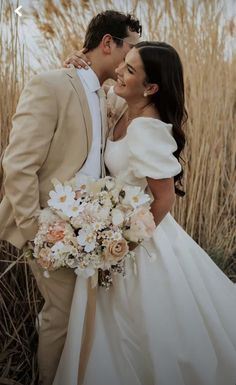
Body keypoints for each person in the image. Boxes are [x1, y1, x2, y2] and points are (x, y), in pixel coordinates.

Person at [53, 42, 236, 385]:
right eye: (124, 63)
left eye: (130, 70)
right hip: (116, 229)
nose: (119, 71)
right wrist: (75, 65)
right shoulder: (123, 104)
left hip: (141, 239)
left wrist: (121, 248)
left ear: (151, 88)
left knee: (147, 332)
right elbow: (96, 93)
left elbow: (164, 198)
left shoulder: (148, 130)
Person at [0, 11, 141, 385]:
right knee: (61, 316)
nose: (132, 58)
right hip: (51, 228)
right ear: (108, 44)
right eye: (130, 48)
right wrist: (37, 230)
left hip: (91, 230)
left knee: (81, 317)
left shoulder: (106, 95)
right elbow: (18, 164)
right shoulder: (51, 85)